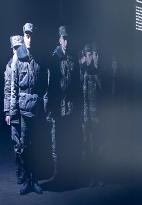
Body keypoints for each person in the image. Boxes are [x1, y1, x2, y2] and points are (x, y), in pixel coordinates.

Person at [7, 27, 46, 195]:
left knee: (36, 146)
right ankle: (27, 180)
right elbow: (13, 88)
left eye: (32, 36)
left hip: (36, 108)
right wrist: (12, 112)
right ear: (23, 37)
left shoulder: (38, 60)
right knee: (24, 147)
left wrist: (44, 106)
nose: (29, 39)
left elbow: (44, 85)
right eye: (27, 36)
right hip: (23, 109)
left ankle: (35, 180)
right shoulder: (18, 59)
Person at [46, 25, 79, 185]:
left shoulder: (71, 59)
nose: (65, 41)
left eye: (67, 39)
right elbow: (51, 84)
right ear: (59, 39)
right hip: (58, 106)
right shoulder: (54, 58)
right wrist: (50, 107)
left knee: (67, 140)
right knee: (56, 141)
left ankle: (67, 172)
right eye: (63, 38)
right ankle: (57, 173)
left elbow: (74, 85)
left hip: (69, 106)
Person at [80, 43, 103, 186]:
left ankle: (98, 176)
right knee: (87, 146)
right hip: (86, 116)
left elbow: (104, 93)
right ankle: (90, 177)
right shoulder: (84, 72)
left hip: (97, 116)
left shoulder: (98, 72)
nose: (90, 58)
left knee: (98, 146)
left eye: (92, 55)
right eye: (88, 55)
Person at [4, 35, 25, 186]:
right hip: (14, 110)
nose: (17, 50)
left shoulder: (27, 63)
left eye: (19, 47)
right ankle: (20, 171)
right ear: (12, 49)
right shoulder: (9, 65)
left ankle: (26, 172)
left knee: (26, 142)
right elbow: (6, 90)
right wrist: (7, 112)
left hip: (25, 109)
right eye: (15, 48)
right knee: (16, 142)